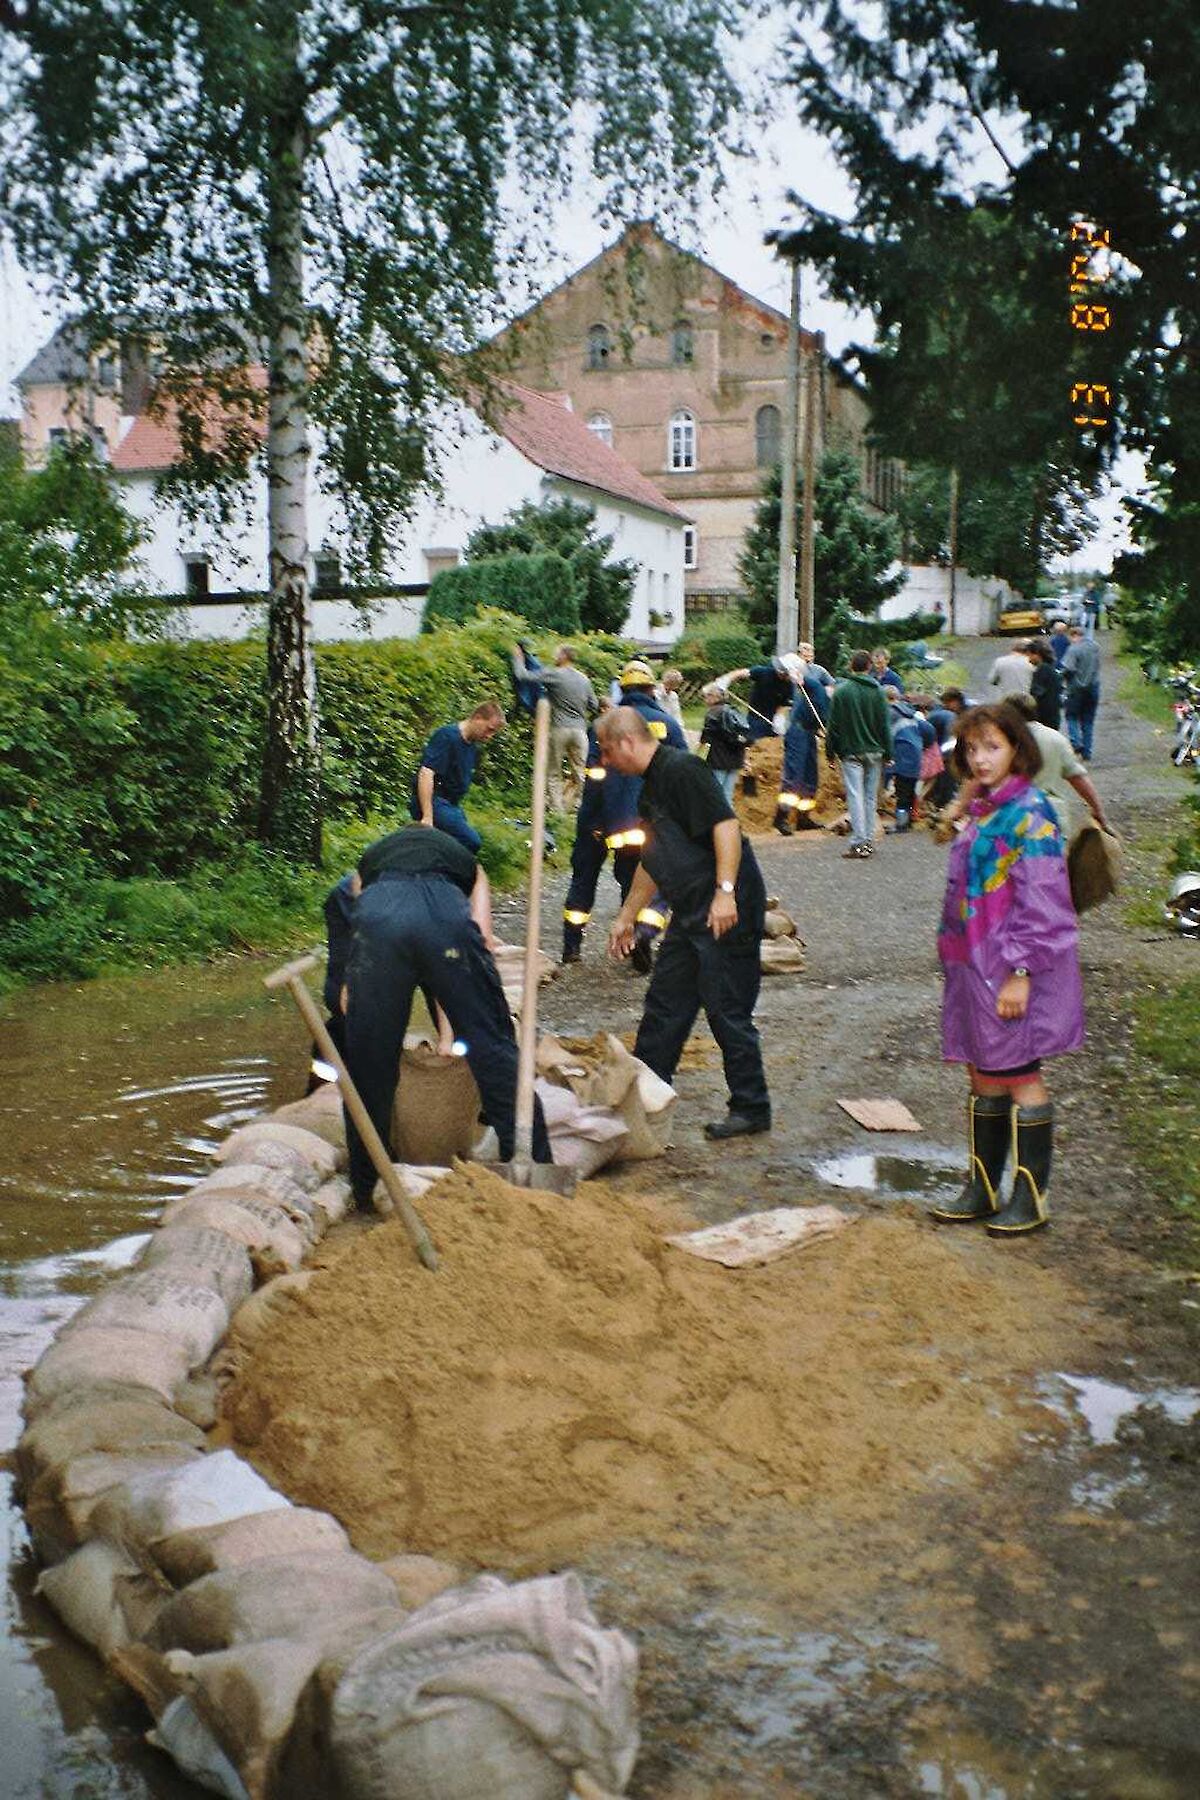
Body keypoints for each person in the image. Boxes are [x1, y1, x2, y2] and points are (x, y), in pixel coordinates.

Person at [931, 704, 1083, 1236]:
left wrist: (1021, 971)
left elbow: (1044, 901)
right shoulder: (985, 808)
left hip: (1011, 964)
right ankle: (983, 1188)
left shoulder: (1031, 812)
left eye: (992, 747)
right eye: (972, 749)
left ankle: (1031, 1197)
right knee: (982, 1068)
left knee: (1020, 1074)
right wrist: (961, 804)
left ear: (1018, 749)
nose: (980, 759)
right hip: (973, 963)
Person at [342, 823, 552, 1207]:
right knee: (495, 1050)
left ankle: (366, 1185)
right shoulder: (470, 866)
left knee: (369, 1062)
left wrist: (352, 985)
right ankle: (532, 1166)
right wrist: (466, 1012)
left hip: (379, 921)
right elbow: (483, 938)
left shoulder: (367, 864)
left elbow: (358, 916)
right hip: (445, 921)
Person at [600, 707, 771, 1140]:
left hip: (723, 904)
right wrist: (626, 916)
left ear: (625, 742)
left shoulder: (683, 769)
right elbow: (654, 860)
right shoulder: (650, 789)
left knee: (726, 1006)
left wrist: (726, 892)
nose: (604, 761)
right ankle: (645, 1100)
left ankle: (751, 1108)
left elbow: (727, 827)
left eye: (605, 751)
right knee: (665, 1002)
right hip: (690, 908)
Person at [560, 702, 666, 971]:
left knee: (584, 879)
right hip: (645, 824)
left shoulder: (603, 730)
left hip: (600, 822)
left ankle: (571, 947)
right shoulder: (666, 724)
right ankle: (641, 937)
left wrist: (593, 824)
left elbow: (594, 782)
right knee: (641, 883)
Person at [1005, 694, 1114, 837]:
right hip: (1051, 817)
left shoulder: (1000, 743)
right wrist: (1098, 811)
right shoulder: (1056, 739)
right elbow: (1078, 778)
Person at [511, 643, 597, 812]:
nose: (554, 657)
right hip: (580, 731)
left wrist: (518, 659)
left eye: (557, 654)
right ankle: (580, 806)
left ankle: (558, 811)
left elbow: (523, 676)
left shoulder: (555, 674)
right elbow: (593, 705)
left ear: (564, 656)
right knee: (580, 772)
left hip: (559, 729)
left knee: (554, 772)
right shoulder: (584, 679)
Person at [410, 701, 505, 851]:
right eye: (489, 729)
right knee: (470, 841)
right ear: (478, 718)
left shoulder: (472, 746)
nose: (489, 736)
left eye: (493, 733)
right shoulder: (447, 737)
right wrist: (428, 817)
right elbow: (426, 773)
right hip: (434, 802)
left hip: (451, 805)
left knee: (455, 843)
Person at [825, 649, 893, 859]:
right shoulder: (879, 692)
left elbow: (833, 726)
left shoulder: (842, 692)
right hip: (875, 752)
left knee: (855, 796)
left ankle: (858, 842)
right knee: (870, 798)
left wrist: (830, 753)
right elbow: (885, 726)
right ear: (869, 667)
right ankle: (869, 841)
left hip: (851, 751)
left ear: (851, 667)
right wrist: (888, 753)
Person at [776, 660, 830, 833]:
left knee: (810, 775)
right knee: (794, 774)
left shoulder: (829, 700)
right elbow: (800, 678)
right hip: (798, 732)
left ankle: (803, 817)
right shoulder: (816, 687)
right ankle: (781, 817)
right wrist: (795, 675)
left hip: (809, 733)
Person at [883, 689, 935, 832]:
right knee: (911, 791)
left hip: (902, 758)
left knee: (902, 793)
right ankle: (909, 820)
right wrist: (924, 745)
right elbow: (929, 730)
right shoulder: (910, 713)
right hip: (916, 757)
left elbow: (884, 736)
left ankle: (901, 825)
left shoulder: (890, 713)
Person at [699, 682, 751, 805]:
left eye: (707, 696)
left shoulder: (712, 713)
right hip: (736, 759)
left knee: (715, 793)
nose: (705, 699)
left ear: (714, 697)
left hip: (718, 760)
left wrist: (695, 756)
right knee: (727, 794)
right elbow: (745, 736)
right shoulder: (735, 711)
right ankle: (730, 821)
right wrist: (745, 759)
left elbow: (705, 739)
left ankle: (715, 821)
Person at [1061, 626, 1101, 760]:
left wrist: (1061, 677)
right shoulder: (1095, 647)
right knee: (1088, 720)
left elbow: (1068, 668)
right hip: (1093, 687)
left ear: (1074, 635)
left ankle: (1076, 742)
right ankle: (1087, 752)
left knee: (1071, 716)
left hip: (1076, 689)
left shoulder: (1073, 649)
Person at [1026, 637, 1063, 730]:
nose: (1029, 660)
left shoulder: (1042, 670)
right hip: (1054, 715)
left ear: (1037, 654)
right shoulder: (1051, 669)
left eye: (1030, 655)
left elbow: (1036, 693)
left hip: (1043, 717)